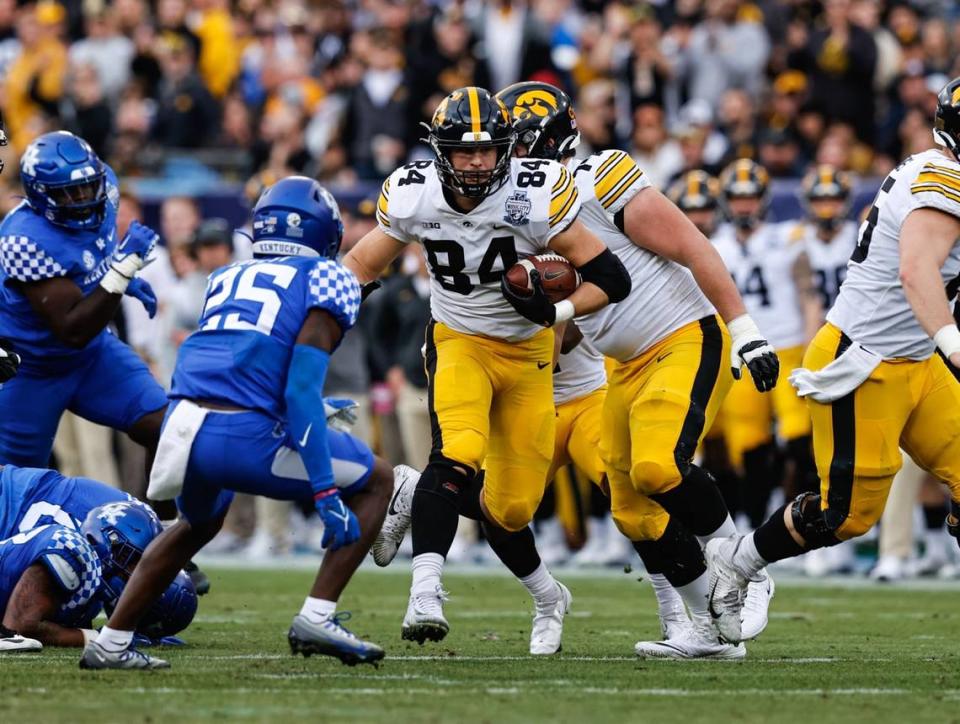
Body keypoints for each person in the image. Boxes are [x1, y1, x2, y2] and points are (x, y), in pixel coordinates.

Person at [343, 87, 630, 650]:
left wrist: (556, 310)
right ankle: (424, 590)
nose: (476, 162)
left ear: (507, 148)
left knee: (512, 506)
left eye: (487, 150)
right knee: (458, 452)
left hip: (529, 356)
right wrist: (311, 314)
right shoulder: (413, 194)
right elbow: (359, 264)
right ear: (439, 150)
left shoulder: (537, 191)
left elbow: (611, 278)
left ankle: (548, 594)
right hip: (459, 340)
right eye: (463, 150)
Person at [502, 82, 778, 659]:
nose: (509, 156)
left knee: (657, 467)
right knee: (631, 509)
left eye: (518, 143)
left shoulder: (600, 176)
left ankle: (744, 565)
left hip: (683, 335)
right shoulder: (526, 213)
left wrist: (746, 331)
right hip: (624, 364)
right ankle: (705, 628)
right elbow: (586, 310)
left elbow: (694, 247)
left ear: (548, 141)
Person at [80, 176, 394, 671]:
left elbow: (235, 365)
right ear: (324, 234)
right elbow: (298, 390)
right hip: (244, 436)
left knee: (195, 525)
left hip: (182, 427)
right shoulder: (327, 279)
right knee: (378, 480)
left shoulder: (227, 276)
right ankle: (318, 614)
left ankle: (111, 641)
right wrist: (326, 494)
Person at [706, 78, 960, 645]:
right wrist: (955, 343)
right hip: (866, 360)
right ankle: (739, 561)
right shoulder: (943, 177)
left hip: (917, 358)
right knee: (843, 516)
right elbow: (917, 272)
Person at [0, 131, 166, 472]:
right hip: (31, 368)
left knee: (167, 429)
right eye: (69, 192)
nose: (83, 198)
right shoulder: (22, 238)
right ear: (40, 195)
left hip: (91, 355)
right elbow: (72, 328)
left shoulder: (107, 191)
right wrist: (121, 272)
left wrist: (120, 278)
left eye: (87, 187)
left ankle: (161, 523)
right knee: (13, 482)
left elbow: (89, 258)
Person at [712, 159, 822, 531]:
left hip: (788, 348)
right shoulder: (714, 246)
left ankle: (808, 522)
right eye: (737, 198)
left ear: (764, 199)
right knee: (749, 447)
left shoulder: (789, 238)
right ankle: (756, 528)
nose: (744, 205)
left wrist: (811, 344)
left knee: (798, 439)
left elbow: (809, 295)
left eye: (751, 197)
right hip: (743, 354)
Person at [0, 501, 167, 651]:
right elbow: (18, 629)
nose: (137, 570)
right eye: (133, 559)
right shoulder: (72, 549)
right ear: (111, 542)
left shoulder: (93, 589)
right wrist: (102, 638)